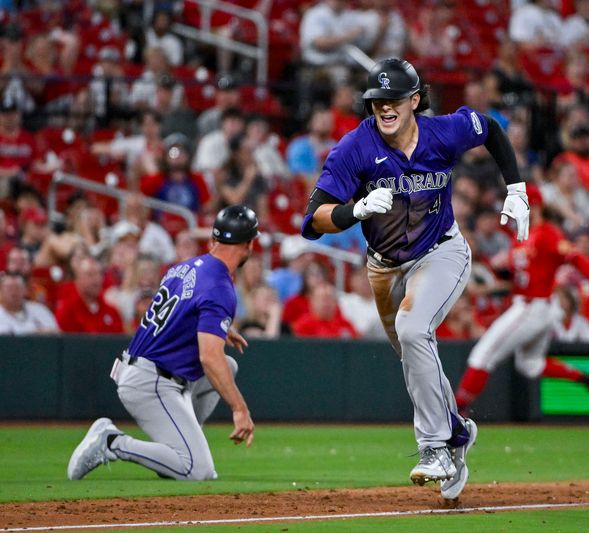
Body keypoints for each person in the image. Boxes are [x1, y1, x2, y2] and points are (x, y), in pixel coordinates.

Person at [301, 58, 530, 501]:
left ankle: (435, 448)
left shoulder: (444, 131)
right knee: (413, 351)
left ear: (415, 100)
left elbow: (492, 129)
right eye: (377, 101)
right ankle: (457, 435)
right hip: (384, 269)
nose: (386, 108)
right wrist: (356, 211)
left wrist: (517, 189)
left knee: (412, 329)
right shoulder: (354, 148)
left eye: (395, 100)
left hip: (441, 251)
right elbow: (312, 221)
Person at [66, 205, 259, 481]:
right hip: (151, 382)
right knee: (198, 470)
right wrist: (240, 409)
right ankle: (112, 442)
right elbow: (208, 358)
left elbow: (179, 312)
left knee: (229, 365)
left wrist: (216, 328)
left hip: (142, 368)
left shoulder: (185, 266)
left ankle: (182, 448)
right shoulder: (220, 286)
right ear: (249, 244)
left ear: (213, 240)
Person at [454, 189, 589, 418]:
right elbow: (524, 273)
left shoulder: (547, 232)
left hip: (533, 306)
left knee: (483, 354)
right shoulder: (524, 234)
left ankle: (456, 412)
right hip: (533, 305)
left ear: (534, 206)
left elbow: (573, 256)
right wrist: (504, 270)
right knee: (530, 364)